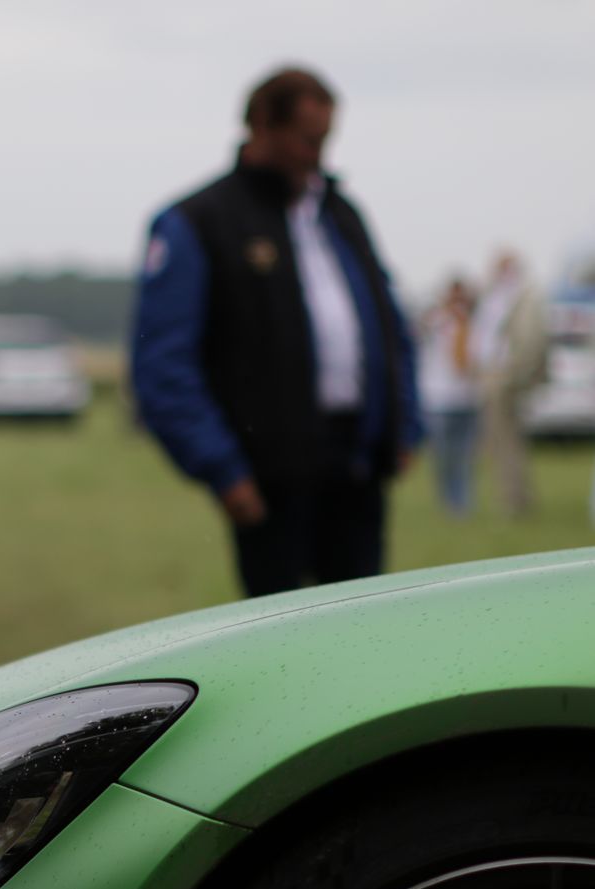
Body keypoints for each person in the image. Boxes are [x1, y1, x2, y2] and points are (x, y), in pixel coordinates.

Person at [131, 66, 423, 597]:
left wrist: (404, 426)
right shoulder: (197, 222)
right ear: (263, 125)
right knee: (283, 638)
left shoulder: (341, 214)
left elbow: (389, 325)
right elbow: (163, 365)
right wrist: (223, 469)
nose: (319, 151)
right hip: (267, 479)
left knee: (362, 625)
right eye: (308, 137)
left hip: (356, 466)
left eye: (326, 138)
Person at [471, 251, 546, 516]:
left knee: (507, 442)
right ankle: (512, 497)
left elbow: (529, 342)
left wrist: (513, 376)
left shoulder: (521, 297)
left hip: (504, 377)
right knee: (500, 442)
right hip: (494, 375)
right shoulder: (497, 296)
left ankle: (514, 501)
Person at [419, 277, 480, 514]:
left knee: (464, 457)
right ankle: (447, 501)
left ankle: (462, 504)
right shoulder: (438, 323)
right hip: (439, 400)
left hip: (466, 399)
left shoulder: (472, 325)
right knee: (444, 458)